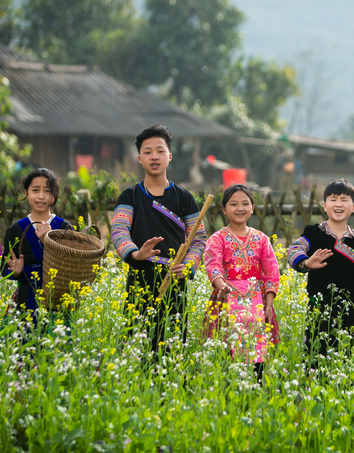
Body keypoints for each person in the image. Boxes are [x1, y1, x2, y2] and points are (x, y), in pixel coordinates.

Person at [111, 124, 206, 354]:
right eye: (148, 151)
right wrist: (135, 253)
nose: (154, 156)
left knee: (172, 346)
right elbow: (119, 230)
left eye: (160, 151)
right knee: (137, 344)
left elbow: (199, 239)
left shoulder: (184, 198)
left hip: (175, 280)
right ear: (139, 158)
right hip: (140, 277)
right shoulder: (130, 196)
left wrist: (188, 266)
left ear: (170, 156)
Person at [202, 184, 280, 381]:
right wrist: (221, 285)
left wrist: (269, 301)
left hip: (258, 301)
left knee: (258, 350)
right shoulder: (217, 238)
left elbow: (271, 270)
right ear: (223, 209)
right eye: (233, 204)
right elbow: (213, 264)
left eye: (245, 203)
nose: (240, 208)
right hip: (226, 297)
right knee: (226, 347)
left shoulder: (261, 239)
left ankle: (256, 391)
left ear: (253, 207)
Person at [287, 179, 354, 360]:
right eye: (333, 199)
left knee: (344, 359)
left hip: (350, 312)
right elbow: (293, 250)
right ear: (324, 206)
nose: (338, 204)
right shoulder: (313, 233)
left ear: (353, 206)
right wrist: (306, 263)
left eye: (344, 199)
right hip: (319, 308)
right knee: (315, 356)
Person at [2, 168, 72, 323]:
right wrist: (16, 272)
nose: (41, 196)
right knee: (25, 343)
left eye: (47, 191)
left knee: (56, 341)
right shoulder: (16, 230)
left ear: (54, 195)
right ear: (26, 193)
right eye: (35, 190)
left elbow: (70, 266)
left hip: (58, 298)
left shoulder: (63, 227)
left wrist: (48, 241)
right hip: (26, 299)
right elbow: (4, 269)